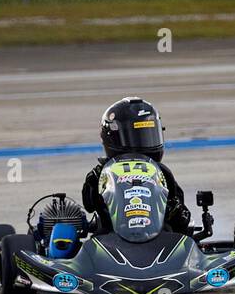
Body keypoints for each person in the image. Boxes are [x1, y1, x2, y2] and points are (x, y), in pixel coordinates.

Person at [81, 97, 193, 234]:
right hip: (111, 238)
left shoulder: (163, 173)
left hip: (159, 238)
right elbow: (90, 206)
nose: (143, 141)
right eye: (136, 136)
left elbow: (180, 215)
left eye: (148, 134)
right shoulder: (100, 173)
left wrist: (176, 212)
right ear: (113, 137)